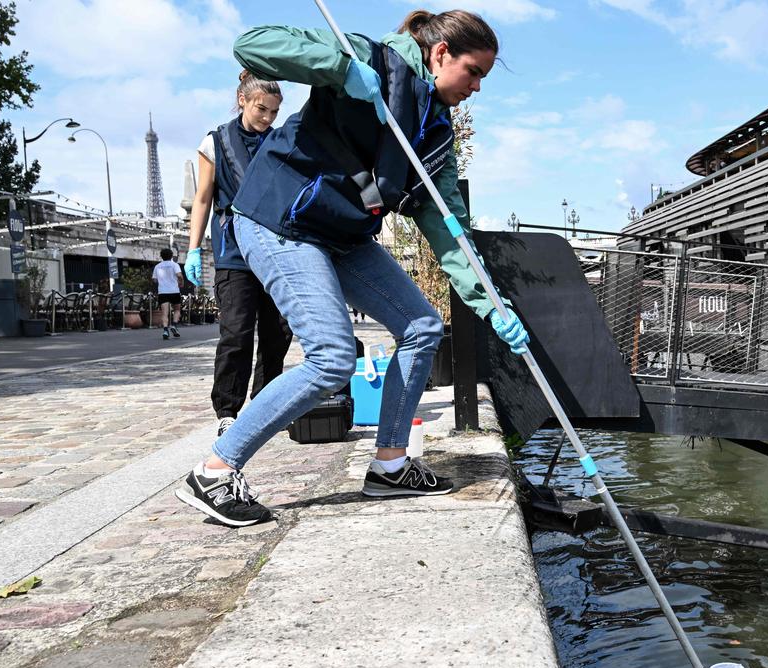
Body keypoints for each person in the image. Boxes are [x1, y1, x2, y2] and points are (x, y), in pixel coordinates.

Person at [175, 9, 530, 527]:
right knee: (331, 357)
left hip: (341, 235)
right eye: (474, 72)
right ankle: (214, 469)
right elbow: (255, 44)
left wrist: (489, 301)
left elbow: (448, 225)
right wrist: (339, 69)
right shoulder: (369, 59)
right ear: (440, 54)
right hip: (280, 220)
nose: (477, 87)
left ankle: (390, 464)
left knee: (422, 327)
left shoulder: (434, 132)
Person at [184, 71, 295, 437]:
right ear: (242, 100)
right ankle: (228, 411)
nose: (267, 118)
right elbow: (202, 199)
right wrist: (194, 249)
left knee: (278, 333)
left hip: (275, 251)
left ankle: (263, 403)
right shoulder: (215, 142)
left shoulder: (278, 141)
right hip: (234, 254)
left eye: (274, 112)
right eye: (261, 109)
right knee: (237, 334)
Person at [151, 248, 183, 339]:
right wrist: (181, 282)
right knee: (177, 310)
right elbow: (179, 275)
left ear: (161, 256)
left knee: (164, 313)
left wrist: (161, 281)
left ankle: (165, 331)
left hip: (163, 292)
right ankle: (174, 325)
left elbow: (154, 279)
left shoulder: (157, 266)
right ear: (171, 256)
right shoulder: (174, 265)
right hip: (174, 291)